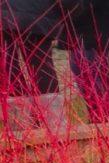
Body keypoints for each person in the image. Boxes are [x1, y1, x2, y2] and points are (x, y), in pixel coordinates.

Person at [1, 0, 70, 129]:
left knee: (8, 67)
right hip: (41, 14)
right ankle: (54, 123)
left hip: (5, 14)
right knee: (41, 65)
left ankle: (21, 126)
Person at [59, 0, 109, 123]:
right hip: (86, 28)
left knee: (90, 73)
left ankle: (107, 116)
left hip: (96, 28)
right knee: (90, 74)